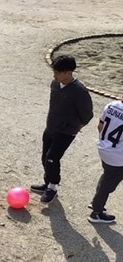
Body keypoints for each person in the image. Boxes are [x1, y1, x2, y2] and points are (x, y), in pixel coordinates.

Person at [31, 55, 93, 203]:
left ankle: (52, 187)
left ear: (69, 73)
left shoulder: (79, 91)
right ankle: (47, 182)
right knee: (45, 157)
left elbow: (87, 114)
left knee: (52, 158)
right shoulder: (55, 84)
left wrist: (76, 126)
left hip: (65, 131)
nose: (54, 76)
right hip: (51, 126)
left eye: (57, 73)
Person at [88, 99, 123, 224]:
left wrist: (105, 143)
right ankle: (96, 212)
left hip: (104, 148)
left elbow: (100, 126)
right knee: (108, 184)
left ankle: (96, 202)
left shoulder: (111, 105)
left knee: (107, 176)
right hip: (118, 157)